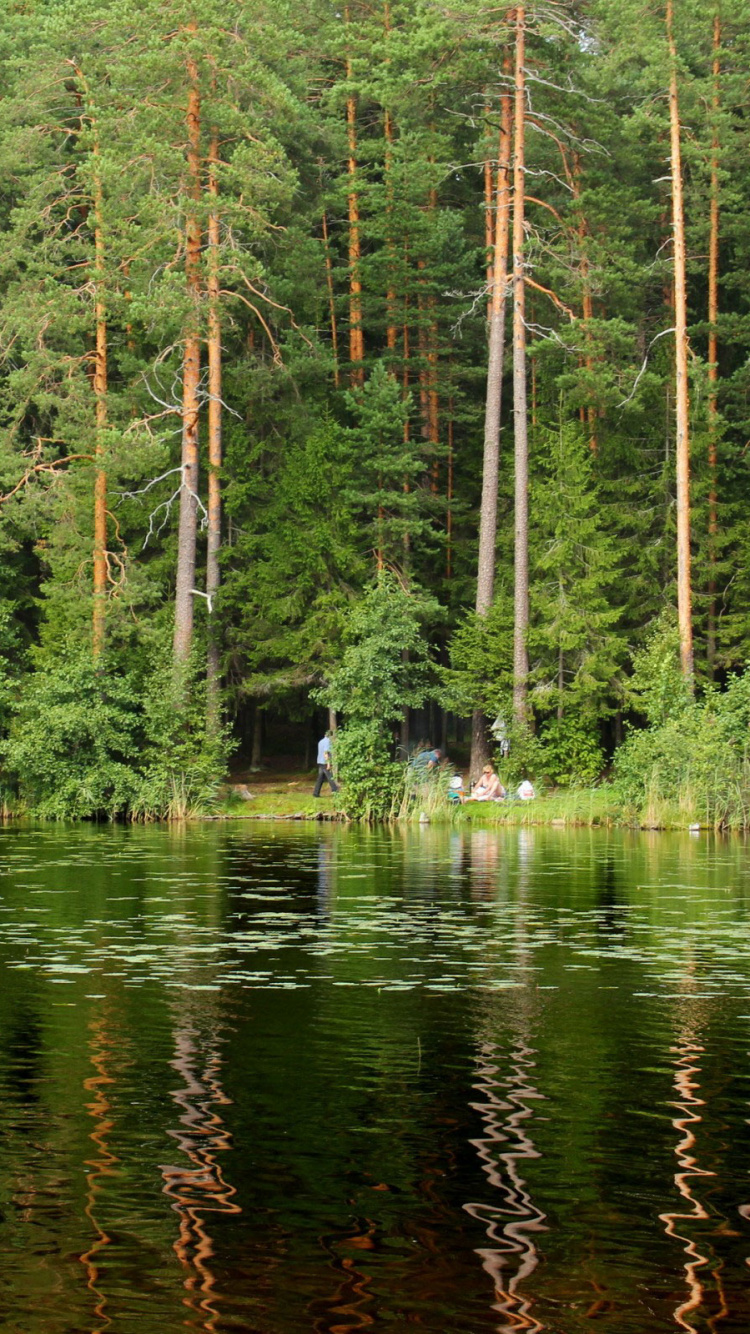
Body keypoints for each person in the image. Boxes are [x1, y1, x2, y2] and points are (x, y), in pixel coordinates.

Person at [313, 731, 339, 796]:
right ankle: (335, 791)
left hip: (320, 761)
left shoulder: (321, 741)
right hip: (325, 762)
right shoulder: (328, 742)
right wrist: (328, 764)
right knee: (330, 777)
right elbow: (326, 753)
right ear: (331, 736)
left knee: (320, 778)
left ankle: (316, 793)